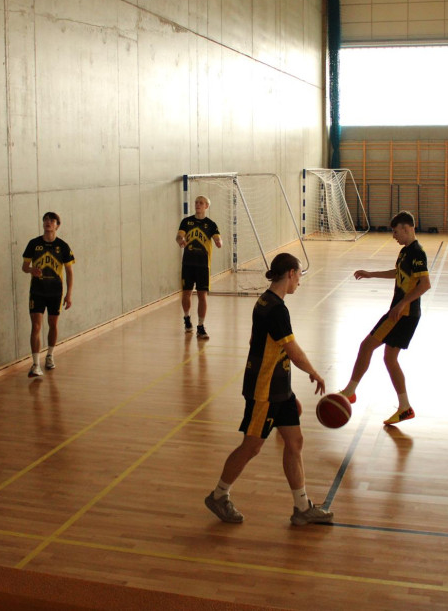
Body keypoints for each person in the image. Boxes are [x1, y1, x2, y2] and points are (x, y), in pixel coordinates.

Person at [204, 253, 332, 526]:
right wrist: (314, 373)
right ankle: (218, 495)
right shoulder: (275, 308)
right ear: (289, 274)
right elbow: (292, 350)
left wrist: (286, 389)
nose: (300, 280)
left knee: (294, 442)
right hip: (265, 391)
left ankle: (301, 507)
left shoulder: (264, 301)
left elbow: (257, 341)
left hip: (278, 386)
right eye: (299, 274)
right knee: (251, 447)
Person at [338, 211, 430, 426]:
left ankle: (350, 392)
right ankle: (405, 408)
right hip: (403, 312)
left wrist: (402, 304)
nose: (394, 236)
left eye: (396, 231)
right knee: (389, 359)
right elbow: (398, 273)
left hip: (403, 314)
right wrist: (372, 274)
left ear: (407, 228)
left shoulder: (417, 252)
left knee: (366, 346)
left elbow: (425, 284)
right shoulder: (405, 252)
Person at [21, 212, 75, 377]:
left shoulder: (63, 246)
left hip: (55, 292)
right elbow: (24, 267)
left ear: (57, 225)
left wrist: (68, 294)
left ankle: (50, 356)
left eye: (51, 220)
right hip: (37, 291)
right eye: (45, 220)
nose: (48, 223)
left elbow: (69, 272)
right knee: (36, 326)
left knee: (53, 324)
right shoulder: (33, 244)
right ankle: (35, 364)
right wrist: (31, 270)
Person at [176, 195, 222, 339]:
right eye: (196, 202)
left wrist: (218, 241)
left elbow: (217, 238)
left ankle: (201, 326)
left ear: (206, 206)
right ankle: (186, 317)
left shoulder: (211, 224)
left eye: (201, 203)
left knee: (202, 295)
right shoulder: (186, 221)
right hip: (188, 264)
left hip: (203, 265)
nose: (198, 205)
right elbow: (179, 236)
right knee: (186, 292)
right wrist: (180, 240)